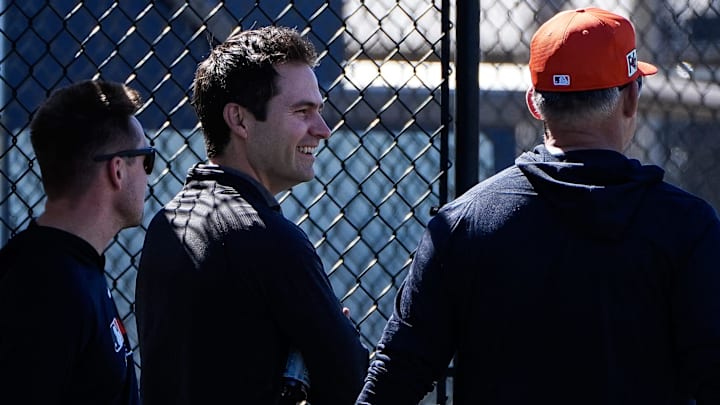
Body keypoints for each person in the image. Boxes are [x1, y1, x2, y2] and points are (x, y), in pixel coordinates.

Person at [357, 7, 720, 405]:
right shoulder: (686, 225)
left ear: (534, 103)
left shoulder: (465, 223)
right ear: (631, 98)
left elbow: (398, 372)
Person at [135, 25, 369, 405]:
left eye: (319, 111)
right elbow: (353, 382)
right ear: (240, 120)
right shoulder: (267, 239)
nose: (323, 130)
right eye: (302, 111)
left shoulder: (168, 223)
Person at [0, 80, 152, 404]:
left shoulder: (69, 266)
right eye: (146, 159)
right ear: (118, 170)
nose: (149, 175)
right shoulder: (46, 289)